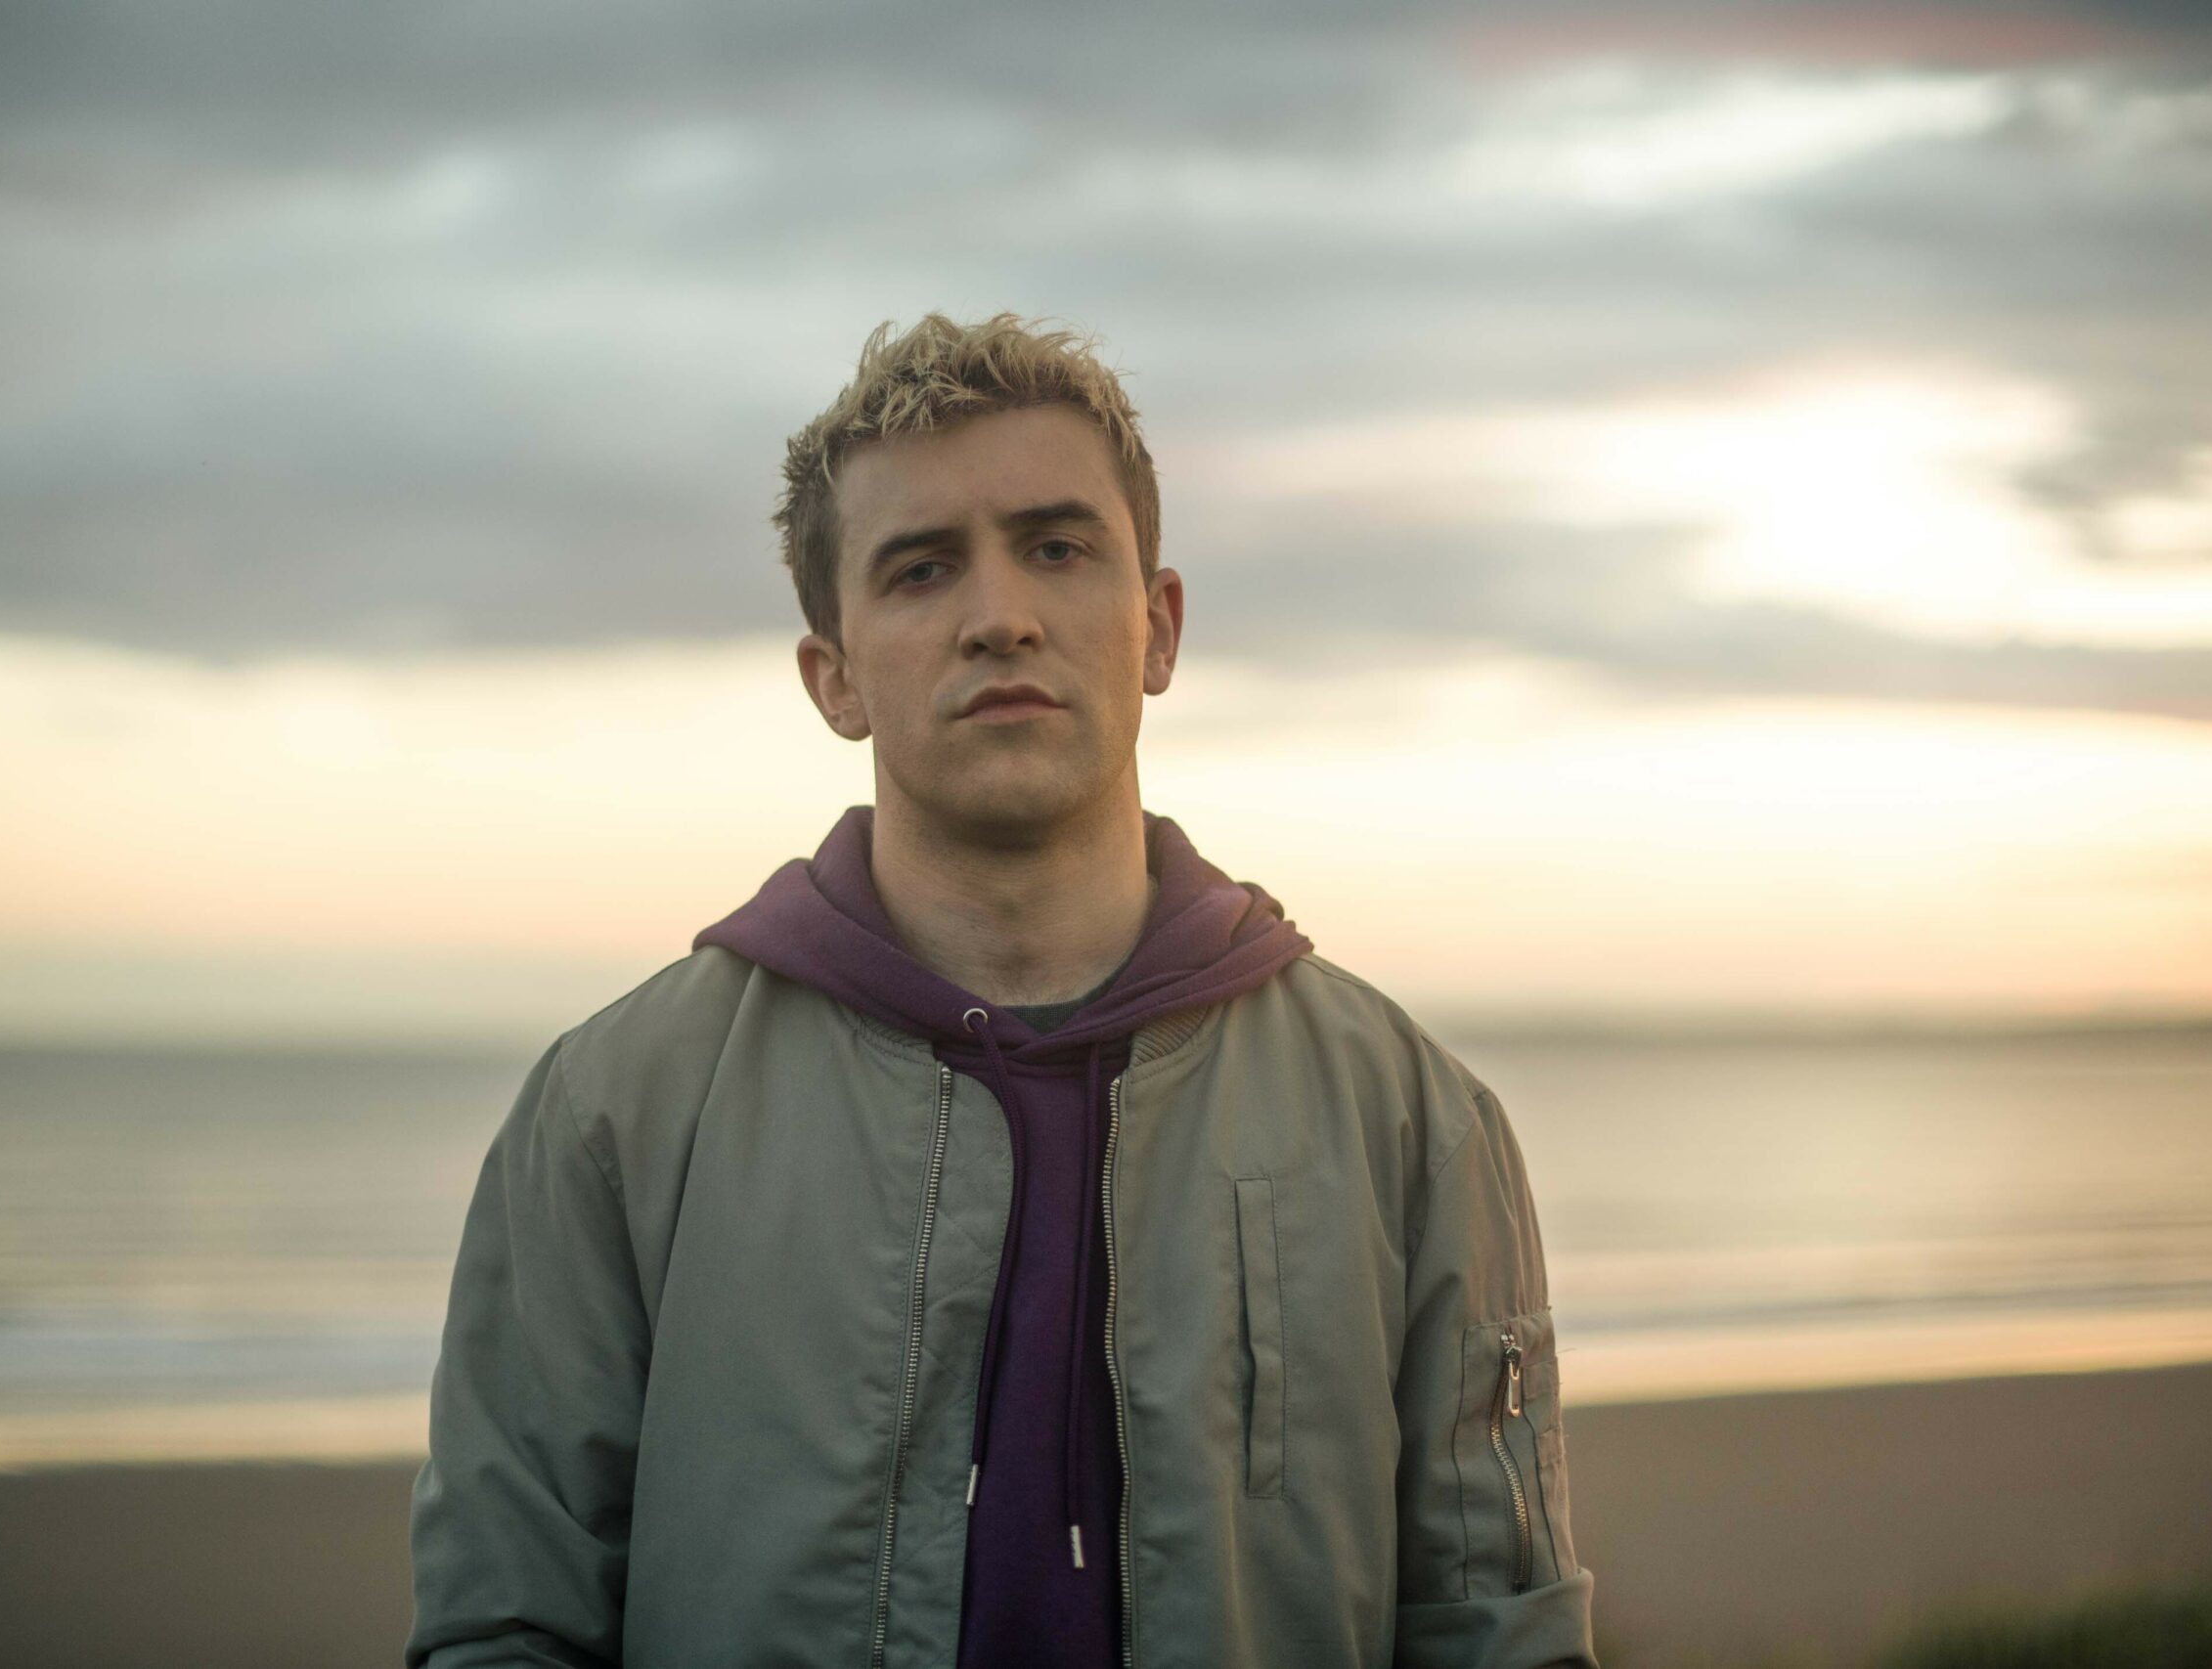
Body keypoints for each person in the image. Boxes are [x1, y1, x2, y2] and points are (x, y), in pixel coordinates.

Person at [405, 312, 1598, 1667]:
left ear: (1158, 627)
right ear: (834, 677)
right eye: (920, 571)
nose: (1001, 616)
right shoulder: (615, 1113)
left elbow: (1498, 1631)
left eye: (1058, 547)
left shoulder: (1411, 1122)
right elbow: (507, 1629)